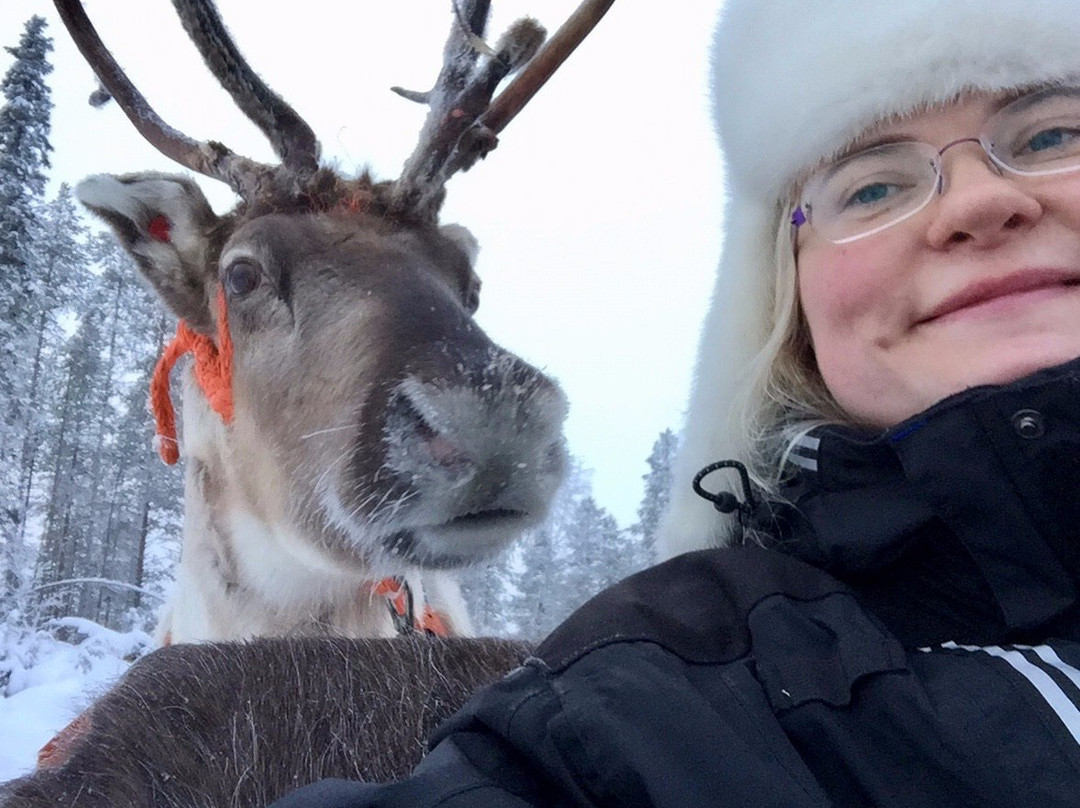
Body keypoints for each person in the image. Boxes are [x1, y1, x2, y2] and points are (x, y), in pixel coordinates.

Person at [271, 0, 1080, 805]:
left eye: (1052, 136)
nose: (976, 204)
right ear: (786, 303)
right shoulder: (650, 713)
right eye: (872, 188)